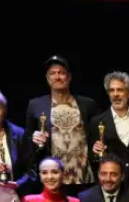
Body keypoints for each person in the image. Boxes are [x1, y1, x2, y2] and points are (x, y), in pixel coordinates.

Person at [28, 56, 101, 194]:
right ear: (47, 78)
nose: (57, 77)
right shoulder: (36, 105)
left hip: (84, 178)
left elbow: (100, 131)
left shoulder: (87, 104)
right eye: (52, 73)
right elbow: (27, 138)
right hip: (53, 179)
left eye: (61, 73)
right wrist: (33, 138)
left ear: (69, 77)